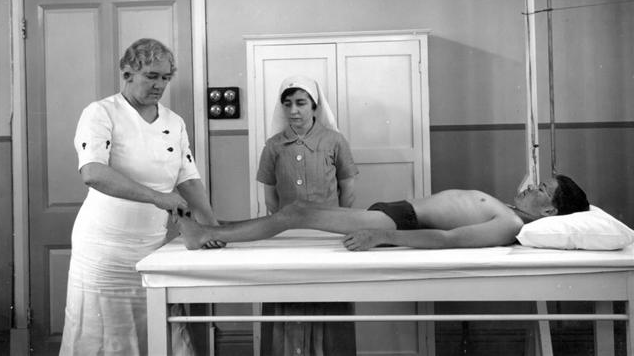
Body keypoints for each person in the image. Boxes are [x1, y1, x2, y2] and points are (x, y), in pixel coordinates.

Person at [59, 38, 221, 356]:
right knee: (102, 336)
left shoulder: (174, 122)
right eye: (151, 76)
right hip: (104, 251)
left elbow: (188, 180)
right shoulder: (101, 113)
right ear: (127, 73)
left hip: (152, 248)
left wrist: (211, 226)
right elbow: (93, 172)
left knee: (160, 331)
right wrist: (158, 197)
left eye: (165, 78)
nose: (159, 85)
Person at [179, 174, 588, 251]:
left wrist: (383, 236)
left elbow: (448, 239)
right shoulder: (512, 209)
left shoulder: (511, 223)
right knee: (295, 212)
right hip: (398, 211)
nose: (531, 186)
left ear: (551, 209)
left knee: (298, 212)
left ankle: (206, 234)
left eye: (542, 189)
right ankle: (217, 229)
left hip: (400, 222)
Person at [257, 75, 359, 356]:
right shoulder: (273, 146)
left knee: (329, 298)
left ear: (314, 106)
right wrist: (288, 226)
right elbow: (270, 198)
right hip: (287, 238)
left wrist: (338, 223)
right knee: (286, 296)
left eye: (301, 103)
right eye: (287, 104)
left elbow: (348, 190)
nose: (294, 110)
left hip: (330, 236)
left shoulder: (334, 141)